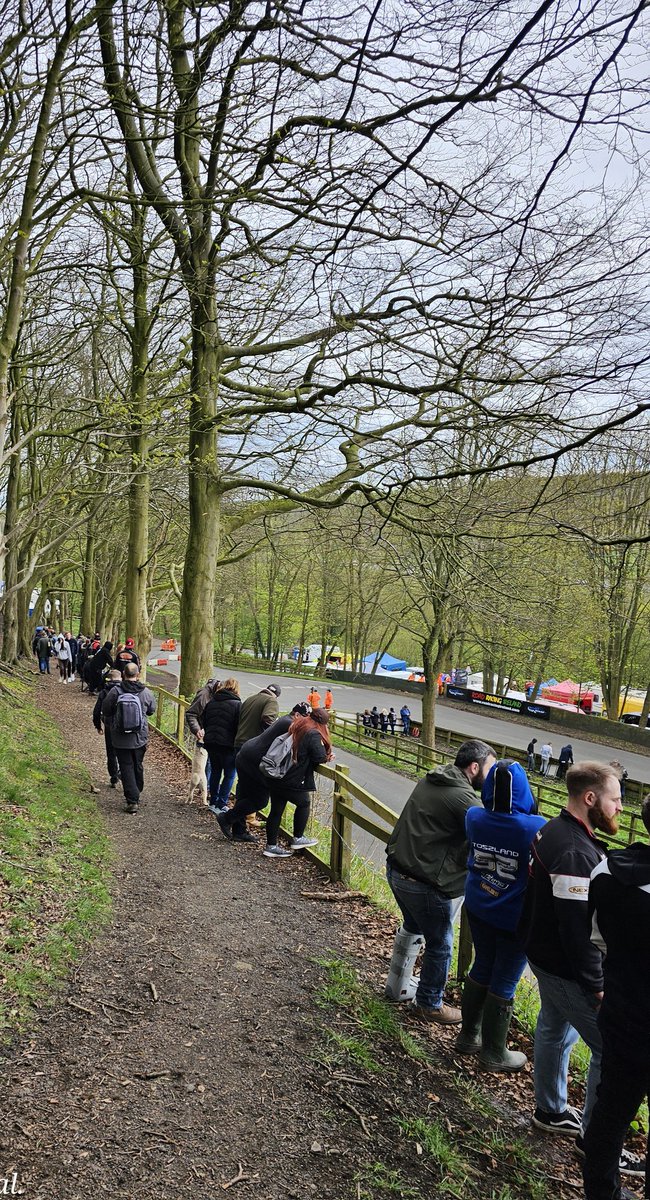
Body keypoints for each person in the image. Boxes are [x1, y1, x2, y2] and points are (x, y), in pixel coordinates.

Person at [520, 762, 631, 1150]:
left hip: (543, 956)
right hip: (565, 968)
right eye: (615, 799)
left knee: (553, 1027)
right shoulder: (571, 852)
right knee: (607, 1047)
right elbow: (575, 929)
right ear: (590, 798)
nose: (620, 808)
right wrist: (597, 986)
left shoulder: (554, 829)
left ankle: (550, 1110)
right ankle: (596, 1140)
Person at [384, 738, 497, 1024]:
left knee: (412, 926)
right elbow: (489, 836)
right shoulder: (465, 799)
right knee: (441, 944)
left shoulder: (434, 777)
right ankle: (429, 1003)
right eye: (490, 769)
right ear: (474, 767)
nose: (493, 776)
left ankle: (396, 986)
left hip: (397, 870)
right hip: (423, 882)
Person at [581, 794, 650, 1200]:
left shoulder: (607, 868)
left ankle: (601, 1192)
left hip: (623, 1009)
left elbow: (597, 937)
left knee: (611, 1112)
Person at [455, 760, 545, 1070]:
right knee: (505, 979)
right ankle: (494, 1053)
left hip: (479, 903)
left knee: (482, 964)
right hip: (513, 915)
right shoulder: (534, 827)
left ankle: (468, 1036)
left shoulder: (474, 816)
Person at [101, 662, 156, 814]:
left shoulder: (115, 691)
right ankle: (137, 790)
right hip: (140, 737)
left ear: (124, 675)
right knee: (137, 764)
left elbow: (106, 709)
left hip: (120, 737)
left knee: (126, 766)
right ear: (137, 675)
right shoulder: (145, 692)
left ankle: (132, 800)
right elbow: (151, 710)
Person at [201, 678, 241, 814]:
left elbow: (203, 720)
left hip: (211, 743)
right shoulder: (237, 705)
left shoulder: (212, 702)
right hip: (228, 745)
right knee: (230, 774)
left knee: (215, 772)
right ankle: (221, 803)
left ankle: (212, 801)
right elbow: (238, 726)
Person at [93, 669, 123, 787]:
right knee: (122, 750)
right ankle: (122, 771)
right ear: (120, 679)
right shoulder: (125, 690)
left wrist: (98, 726)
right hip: (123, 725)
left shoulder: (104, 692)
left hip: (109, 724)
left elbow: (97, 711)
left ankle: (113, 776)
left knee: (111, 752)